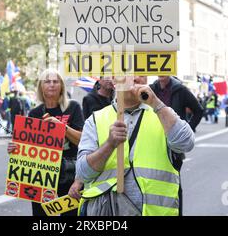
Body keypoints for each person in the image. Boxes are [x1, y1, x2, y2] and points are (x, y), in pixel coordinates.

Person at [76, 76, 195, 216]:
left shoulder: (162, 113)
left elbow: (186, 143)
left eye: (141, 72)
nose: (136, 77)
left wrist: (155, 103)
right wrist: (109, 145)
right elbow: (84, 173)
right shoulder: (96, 120)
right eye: (129, 71)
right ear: (114, 81)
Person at [8, 69, 84, 216]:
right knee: (40, 215)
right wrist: (16, 148)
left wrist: (62, 127)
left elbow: (82, 140)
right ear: (41, 87)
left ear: (61, 86)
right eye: (47, 81)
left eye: (56, 81)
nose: (52, 85)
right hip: (41, 175)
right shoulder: (34, 113)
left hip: (69, 173)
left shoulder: (73, 107)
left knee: (71, 214)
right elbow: (28, 148)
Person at [149, 75, 202, 216]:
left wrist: (187, 129)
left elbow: (198, 110)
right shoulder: (151, 89)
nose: (161, 73)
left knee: (174, 184)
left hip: (174, 147)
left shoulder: (180, 90)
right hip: (153, 143)